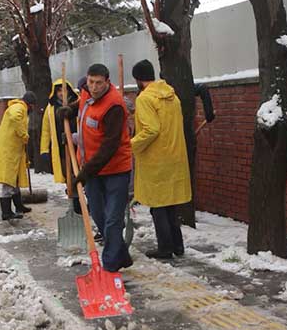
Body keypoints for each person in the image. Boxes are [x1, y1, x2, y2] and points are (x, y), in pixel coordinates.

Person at [59, 63, 133, 272]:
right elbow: (83, 105)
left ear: (107, 82)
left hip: (115, 169)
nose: (94, 87)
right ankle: (121, 255)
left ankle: (109, 266)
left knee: (112, 219)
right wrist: (69, 110)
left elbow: (109, 147)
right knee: (99, 216)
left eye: (98, 83)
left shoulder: (114, 107)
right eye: (91, 82)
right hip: (91, 167)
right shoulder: (86, 92)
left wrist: (83, 173)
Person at [130, 60, 191, 259]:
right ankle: (178, 246)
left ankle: (165, 248)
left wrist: (131, 144)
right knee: (171, 206)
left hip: (156, 160)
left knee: (158, 208)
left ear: (138, 79)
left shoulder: (145, 99)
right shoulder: (172, 97)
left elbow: (151, 129)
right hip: (175, 157)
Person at [0, 92, 37, 221]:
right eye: (33, 106)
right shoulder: (19, 107)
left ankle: (19, 206)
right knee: (9, 179)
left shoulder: (20, 107)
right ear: (30, 104)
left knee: (14, 177)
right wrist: (23, 134)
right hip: (8, 150)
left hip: (13, 149)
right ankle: (6, 212)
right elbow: (15, 118)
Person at [40, 79, 80, 212]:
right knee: (67, 175)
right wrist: (44, 150)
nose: (62, 94)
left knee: (79, 174)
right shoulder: (50, 109)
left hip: (77, 147)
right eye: (59, 91)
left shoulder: (77, 103)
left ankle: (78, 200)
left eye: (64, 90)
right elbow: (46, 130)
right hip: (61, 149)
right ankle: (74, 202)